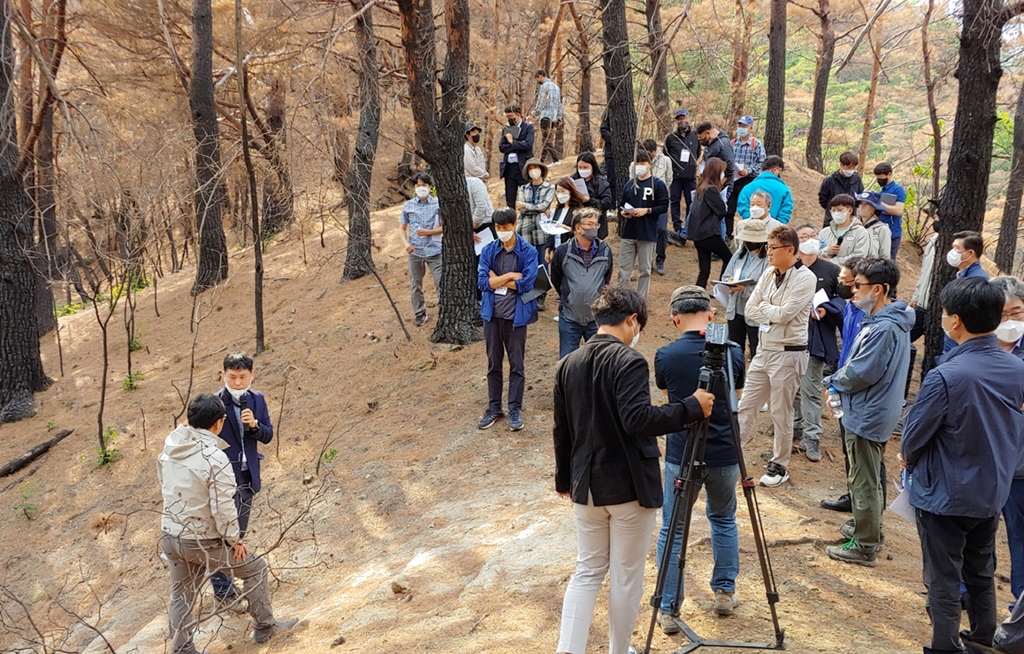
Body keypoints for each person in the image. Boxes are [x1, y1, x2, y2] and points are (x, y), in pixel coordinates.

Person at [553, 285, 714, 654]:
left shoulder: (568, 363)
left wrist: (565, 480)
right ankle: (619, 650)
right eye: (638, 324)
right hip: (628, 487)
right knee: (626, 577)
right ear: (631, 320)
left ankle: (568, 649)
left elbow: (561, 430)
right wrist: (691, 406)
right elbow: (638, 420)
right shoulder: (629, 361)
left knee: (588, 571)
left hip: (586, 486)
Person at [901, 277, 1024, 654]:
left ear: (955, 321)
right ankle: (983, 638)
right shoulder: (1016, 369)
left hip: (945, 493)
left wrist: (910, 460)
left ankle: (944, 646)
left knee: (942, 576)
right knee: (981, 568)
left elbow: (913, 437)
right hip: (992, 489)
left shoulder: (946, 376)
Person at [159, 394, 297, 654]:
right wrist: (234, 541)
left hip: (170, 534)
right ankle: (265, 628)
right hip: (201, 539)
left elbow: (165, 488)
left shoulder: (169, 448)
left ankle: (182, 650)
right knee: (255, 568)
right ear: (218, 424)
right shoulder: (214, 457)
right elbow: (223, 507)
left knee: (181, 594)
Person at [653, 286, 746, 632]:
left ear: (675, 318)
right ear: (710, 315)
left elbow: (669, 397)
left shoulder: (665, 355)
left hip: (682, 453)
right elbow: (735, 396)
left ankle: (667, 607)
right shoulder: (733, 352)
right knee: (723, 519)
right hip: (724, 451)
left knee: (673, 528)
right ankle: (724, 591)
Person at [822, 258, 913, 567]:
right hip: (873, 410)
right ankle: (869, 528)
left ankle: (864, 546)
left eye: (858, 285)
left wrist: (832, 381)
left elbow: (861, 372)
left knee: (864, 479)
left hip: (867, 413)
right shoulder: (883, 322)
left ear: (877, 290)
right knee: (870, 476)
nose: (852, 291)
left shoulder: (885, 328)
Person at [736, 226, 817, 487]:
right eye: (768, 247)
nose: (768, 252)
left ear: (790, 250)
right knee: (747, 404)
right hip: (764, 350)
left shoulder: (805, 278)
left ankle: (780, 464)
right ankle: (733, 451)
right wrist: (771, 311)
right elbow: (750, 309)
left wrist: (768, 310)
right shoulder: (769, 273)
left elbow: (786, 315)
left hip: (788, 354)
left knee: (781, 412)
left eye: (773, 248)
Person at [209, 352, 275, 607]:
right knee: (222, 537)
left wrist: (255, 425)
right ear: (223, 374)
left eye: (243, 377)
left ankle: (230, 587)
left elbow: (268, 435)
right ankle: (224, 594)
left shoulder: (257, 399)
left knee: (238, 535)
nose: (237, 382)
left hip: (249, 476)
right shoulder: (213, 402)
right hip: (223, 479)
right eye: (232, 377)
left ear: (252, 375)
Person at [477, 208, 538, 432]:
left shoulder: (528, 251)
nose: (502, 231)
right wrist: (511, 276)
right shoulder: (488, 250)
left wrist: (497, 279)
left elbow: (528, 284)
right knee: (493, 364)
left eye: (506, 227)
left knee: (517, 365)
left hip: (516, 317)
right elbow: (483, 283)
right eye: (498, 228)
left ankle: (515, 408)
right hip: (492, 316)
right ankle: (494, 408)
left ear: (515, 224)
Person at [819, 257, 867, 514]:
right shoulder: (848, 308)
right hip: (842, 383)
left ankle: (866, 509)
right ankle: (852, 494)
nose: (840, 284)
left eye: (846, 281)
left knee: (865, 455)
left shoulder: (868, 315)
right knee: (849, 448)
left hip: (857, 390)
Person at [792, 225, 843, 463]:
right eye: (803, 237)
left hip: (817, 340)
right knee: (789, 386)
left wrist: (826, 309)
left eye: (813, 236)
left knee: (810, 389)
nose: (809, 240)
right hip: (789, 337)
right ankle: (794, 426)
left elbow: (844, 301)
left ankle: (812, 435)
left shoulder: (832, 270)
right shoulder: (789, 268)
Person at [993, 276, 1024, 608]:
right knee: (975, 535)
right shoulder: (977, 344)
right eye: (1001, 314)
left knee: (1019, 537)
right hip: (984, 463)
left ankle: (1020, 604)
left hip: (1019, 467)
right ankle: (967, 593)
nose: (1010, 321)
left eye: (1016, 313)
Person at [549, 208, 613, 357]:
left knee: (598, 362)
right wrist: (570, 297)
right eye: (590, 224)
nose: (594, 228)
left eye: (596, 225)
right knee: (567, 363)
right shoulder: (563, 251)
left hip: (596, 319)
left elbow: (606, 279)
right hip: (569, 318)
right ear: (578, 228)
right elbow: (556, 279)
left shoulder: (605, 250)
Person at [617, 149, 668, 300]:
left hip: (648, 232)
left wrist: (647, 210)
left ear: (649, 165)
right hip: (629, 232)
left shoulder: (658, 184)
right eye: (637, 163)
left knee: (644, 269)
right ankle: (622, 298)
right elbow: (621, 204)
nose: (640, 166)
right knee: (624, 268)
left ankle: (641, 299)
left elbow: (664, 206)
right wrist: (623, 213)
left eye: (643, 163)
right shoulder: (629, 185)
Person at [722, 218, 772, 359]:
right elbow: (727, 275)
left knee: (757, 349)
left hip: (756, 311)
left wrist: (744, 289)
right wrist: (729, 283)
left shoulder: (768, 259)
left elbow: (768, 286)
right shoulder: (739, 255)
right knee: (733, 350)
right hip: (735, 308)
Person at [399, 172, 443, 327]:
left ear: (430, 187)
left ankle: (444, 312)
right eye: (418, 185)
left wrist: (428, 232)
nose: (421, 188)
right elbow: (402, 228)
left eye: (424, 185)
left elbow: (444, 227)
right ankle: (419, 314)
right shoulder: (408, 206)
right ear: (414, 187)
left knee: (440, 282)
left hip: (435, 250)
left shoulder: (438, 204)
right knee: (415, 284)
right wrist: (406, 244)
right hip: (415, 251)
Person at [516, 158, 556, 311]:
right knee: (525, 261)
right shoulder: (524, 188)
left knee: (542, 263)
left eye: (536, 167)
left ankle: (541, 296)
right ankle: (526, 292)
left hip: (541, 230)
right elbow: (521, 208)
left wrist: (527, 206)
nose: (533, 170)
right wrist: (534, 208)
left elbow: (544, 205)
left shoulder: (549, 187)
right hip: (524, 229)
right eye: (530, 168)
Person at [687, 157, 732, 288]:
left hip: (698, 235)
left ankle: (698, 293)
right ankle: (722, 288)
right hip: (709, 234)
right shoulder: (711, 190)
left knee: (704, 269)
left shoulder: (701, 188)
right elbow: (721, 211)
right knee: (729, 258)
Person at [631, 139, 674, 276]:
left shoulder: (666, 161)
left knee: (661, 229)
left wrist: (660, 192)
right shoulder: (635, 164)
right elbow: (632, 181)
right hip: (641, 202)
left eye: (651, 153)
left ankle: (660, 258)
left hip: (659, 201)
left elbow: (669, 179)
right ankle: (644, 261)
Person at [942, 230, 990, 353]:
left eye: (957, 248)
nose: (952, 252)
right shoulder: (963, 275)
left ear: (970, 253)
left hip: (960, 345)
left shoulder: (977, 281)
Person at [664, 108, 701, 244]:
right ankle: (677, 229)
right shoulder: (671, 138)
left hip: (690, 177)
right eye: (679, 118)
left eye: (683, 118)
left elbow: (697, 153)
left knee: (692, 204)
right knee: (674, 202)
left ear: (688, 118)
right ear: (676, 121)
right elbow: (666, 154)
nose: (681, 121)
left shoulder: (695, 136)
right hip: (675, 178)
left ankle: (689, 229)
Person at [695, 122, 736, 236]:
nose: (701, 141)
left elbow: (730, 168)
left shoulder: (723, 145)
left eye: (701, 138)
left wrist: (719, 186)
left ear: (708, 133)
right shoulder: (710, 145)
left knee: (719, 214)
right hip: (707, 184)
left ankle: (720, 243)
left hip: (720, 187)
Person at [727, 116, 766, 231]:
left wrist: (748, 171)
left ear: (750, 128)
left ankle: (750, 232)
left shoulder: (756, 144)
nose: (741, 128)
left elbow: (762, 164)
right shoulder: (732, 143)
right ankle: (728, 234)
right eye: (740, 125)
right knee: (729, 209)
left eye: (744, 126)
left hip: (749, 181)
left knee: (749, 209)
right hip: (733, 180)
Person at [817, 193, 871, 268]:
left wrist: (830, 262)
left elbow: (858, 257)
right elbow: (815, 253)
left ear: (850, 211)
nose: (836, 213)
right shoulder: (824, 232)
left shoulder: (861, 233)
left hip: (848, 275)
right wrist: (828, 250)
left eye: (839, 210)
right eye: (833, 210)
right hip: (825, 274)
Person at [736, 155, 793, 224]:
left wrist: (751, 221)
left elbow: (742, 205)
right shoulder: (784, 189)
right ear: (774, 170)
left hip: (752, 228)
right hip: (774, 230)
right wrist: (778, 224)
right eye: (779, 171)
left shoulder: (748, 187)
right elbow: (786, 209)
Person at [544, 177, 588, 265]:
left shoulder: (578, 210)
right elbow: (552, 229)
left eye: (563, 191)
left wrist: (567, 228)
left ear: (570, 191)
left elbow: (582, 232)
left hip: (572, 251)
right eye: (558, 191)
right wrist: (547, 250)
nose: (560, 194)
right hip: (557, 250)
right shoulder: (558, 209)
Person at [498, 104, 535, 208]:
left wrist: (511, 141)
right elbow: (502, 147)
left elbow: (528, 145)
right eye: (508, 117)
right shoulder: (507, 129)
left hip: (523, 167)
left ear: (518, 115)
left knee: (526, 197)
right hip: (509, 169)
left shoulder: (528, 127)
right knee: (510, 199)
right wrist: (519, 145)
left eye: (511, 117)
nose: (510, 119)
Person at [572, 152, 615, 239]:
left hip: (595, 226)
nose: (582, 170)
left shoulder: (601, 182)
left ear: (592, 167)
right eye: (580, 167)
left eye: (585, 167)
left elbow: (606, 203)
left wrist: (589, 200)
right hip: (576, 224)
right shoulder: (573, 180)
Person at [818, 152, 864, 226]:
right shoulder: (830, 180)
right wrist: (836, 210)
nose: (851, 170)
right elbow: (823, 199)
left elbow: (860, 195)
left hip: (850, 219)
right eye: (849, 167)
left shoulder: (856, 179)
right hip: (832, 219)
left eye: (853, 167)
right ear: (841, 165)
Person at [872, 162, 906, 259]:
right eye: (877, 177)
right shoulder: (882, 191)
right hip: (880, 231)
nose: (879, 179)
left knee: (888, 262)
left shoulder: (898, 190)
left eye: (881, 176)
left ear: (889, 174)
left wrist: (879, 203)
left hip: (892, 233)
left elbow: (899, 210)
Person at [532, 68, 563, 164]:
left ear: (540, 76)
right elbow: (559, 104)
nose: (538, 81)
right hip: (553, 117)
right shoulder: (556, 87)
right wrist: (559, 117)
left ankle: (555, 160)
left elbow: (541, 102)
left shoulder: (544, 86)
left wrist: (534, 113)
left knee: (546, 139)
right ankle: (541, 161)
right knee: (546, 139)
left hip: (545, 116)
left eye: (537, 78)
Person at [853, 191, 893, 259]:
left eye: (867, 204)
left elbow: (885, 257)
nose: (862, 206)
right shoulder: (853, 226)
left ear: (875, 208)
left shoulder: (882, 229)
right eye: (861, 203)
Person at [600, 110, 616, 189]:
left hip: (627, 154)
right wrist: (615, 140)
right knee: (612, 179)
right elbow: (603, 130)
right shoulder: (609, 111)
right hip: (610, 153)